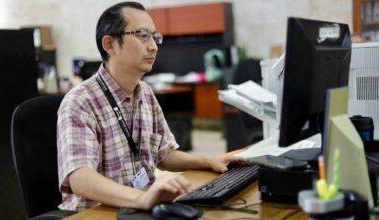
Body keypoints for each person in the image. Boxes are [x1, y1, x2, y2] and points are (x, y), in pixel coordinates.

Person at [57, 1, 245, 211]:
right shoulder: (80, 101)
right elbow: (80, 178)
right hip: (96, 212)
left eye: (155, 37)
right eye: (143, 35)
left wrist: (207, 161)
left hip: (140, 207)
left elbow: (164, 154)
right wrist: (140, 199)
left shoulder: (145, 92)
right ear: (110, 44)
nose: (154, 46)